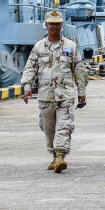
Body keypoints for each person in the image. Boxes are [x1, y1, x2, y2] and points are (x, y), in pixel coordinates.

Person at [21, 10, 88, 173]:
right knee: (48, 128)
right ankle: (54, 154)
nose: (55, 27)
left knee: (64, 126)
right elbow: (30, 68)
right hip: (45, 96)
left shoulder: (71, 47)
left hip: (65, 95)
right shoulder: (38, 47)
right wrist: (27, 87)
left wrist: (81, 91)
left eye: (58, 24)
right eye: (52, 23)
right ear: (46, 25)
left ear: (62, 25)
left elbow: (79, 70)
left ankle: (60, 156)